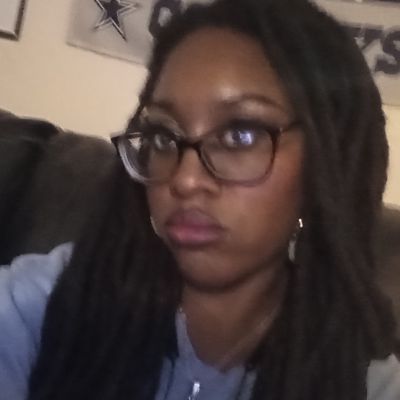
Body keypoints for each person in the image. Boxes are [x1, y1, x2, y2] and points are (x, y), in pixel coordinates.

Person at [1, 0, 399, 399]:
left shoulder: (366, 381)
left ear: (326, 163)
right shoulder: (57, 295)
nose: (185, 179)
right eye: (162, 135)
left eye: (240, 134)